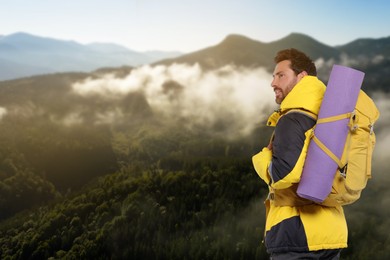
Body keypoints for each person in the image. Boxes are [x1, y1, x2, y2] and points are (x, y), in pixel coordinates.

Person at [252, 48, 347, 259]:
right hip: (331, 232)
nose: (273, 83)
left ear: (302, 76)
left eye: (281, 75)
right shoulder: (328, 116)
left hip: (295, 234)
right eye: (273, 76)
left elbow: (283, 175)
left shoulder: (292, 118)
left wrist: (261, 158)